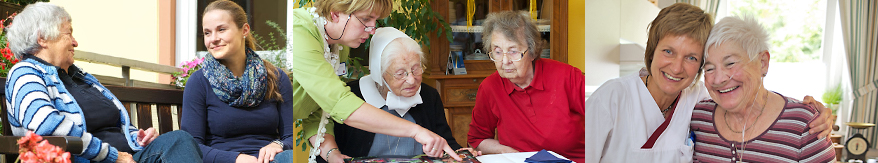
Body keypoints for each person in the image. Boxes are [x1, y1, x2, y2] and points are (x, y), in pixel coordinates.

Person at [583, 3, 833, 162]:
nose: (677, 67)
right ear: (652, 50)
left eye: (691, 57)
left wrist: (813, 111)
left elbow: (747, 90)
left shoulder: (700, 99)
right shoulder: (611, 98)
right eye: (668, 51)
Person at [4, 2, 202, 163]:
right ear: (43, 38)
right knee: (180, 142)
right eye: (68, 33)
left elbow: (115, 124)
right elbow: (46, 125)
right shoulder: (25, 73)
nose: (75, 42)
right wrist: (113, 156)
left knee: (179, 141)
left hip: (127, 156)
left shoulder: (79, 76)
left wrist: (137, 138)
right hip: (91, 159)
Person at [291, 0, 461, 162]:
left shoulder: (339, 46)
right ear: (335, 13)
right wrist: (415, 131)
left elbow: (318, 110)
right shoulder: (300, 30)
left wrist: (331, 153)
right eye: (366, 19)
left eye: (375, 20)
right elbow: (339, 103)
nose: (372, 29)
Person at [321, 28, 480, 162]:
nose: (411, 80)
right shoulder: (350, 96)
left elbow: (446, 142)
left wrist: (461, 153)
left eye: (416, 69)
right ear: (380, 73)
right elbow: (327, 152)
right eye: (400, 73)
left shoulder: (428, 96)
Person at [691, 15, 836, 163]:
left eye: (730, 63)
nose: (718, 79)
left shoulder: (805, 125)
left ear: (763, 63)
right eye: (709, 69)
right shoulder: (698, 117)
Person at [179, 1, 294, 163]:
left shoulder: (276, 78)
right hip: (223, 160)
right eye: (207, 33)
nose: (213, 39)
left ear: (244, 30)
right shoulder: (198, 82)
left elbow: (291, 136)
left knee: (290, 158)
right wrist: (237, 159)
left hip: (270, 160)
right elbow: (190, 146)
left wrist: (278, 144)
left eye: (221, 30)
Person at [466, 11, 586, 163]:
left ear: (532, 51)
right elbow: (477, 139)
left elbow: (605, 119)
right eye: (497, 51)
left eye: (513, 51)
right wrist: (507, 151)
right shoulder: (490, 87)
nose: (505, 61)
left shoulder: (567, 77)